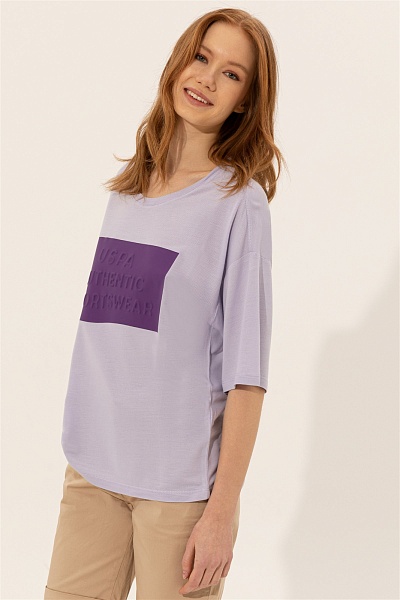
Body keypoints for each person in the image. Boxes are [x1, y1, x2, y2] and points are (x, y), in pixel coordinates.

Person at [44, 7, 285, 600]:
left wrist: (220, 513)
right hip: (93, 470)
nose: (207, 78)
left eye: (231, 74)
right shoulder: (130, 188)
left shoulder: (239, 204)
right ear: (179, 62)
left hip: (179, 494)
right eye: (202, 57)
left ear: (245, 103)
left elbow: (247, 377)